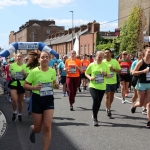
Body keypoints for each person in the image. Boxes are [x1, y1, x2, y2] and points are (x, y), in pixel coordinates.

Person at [23, 51, 59, 149]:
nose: (45, 59)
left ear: (49, 59)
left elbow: (54, 84)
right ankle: (33, 129)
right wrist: (34, 87)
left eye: (47, 57)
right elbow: (25, 84)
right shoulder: (34, 71)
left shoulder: (52, 71)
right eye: (43, 57)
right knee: (38, 128)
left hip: (48, 99)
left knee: (47, 127)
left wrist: (56, 85)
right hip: (36, 99)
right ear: (39, 60)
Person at [85, 51, 110, 126]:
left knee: (98, 103)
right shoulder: (92, 65)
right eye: (99, 57)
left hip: (102, 86)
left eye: (101, 57)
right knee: (95, 100)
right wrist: (90, 77)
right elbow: (86, 73)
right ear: (95, 57)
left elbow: (109, 76)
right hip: (93, 86)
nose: (100, 58)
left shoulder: (105, 65)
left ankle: (94, 113)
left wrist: (105, 74)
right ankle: (95, 118)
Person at [131, 47, 150, 127]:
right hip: (141, 84)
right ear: (145, 52)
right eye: (149, 52)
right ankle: (134, 105)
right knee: (141, 103)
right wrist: (143, 71)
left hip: (149, 84)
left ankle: (149, 121)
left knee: (149, 104)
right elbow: (133, 73)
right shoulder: (141, 62)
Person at [9, 53, 27, 122]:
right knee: (14, 99)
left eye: (20, 56)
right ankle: (14, 112)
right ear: (15, 57)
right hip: (14, 83)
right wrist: (11, 75)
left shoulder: (25, 66)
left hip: (22, 84)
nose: (19, 57)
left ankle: (19, 114)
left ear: (22, 58)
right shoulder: (12, 65)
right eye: (18, 56)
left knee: (20, 101)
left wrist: (24, 73)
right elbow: (10, 74)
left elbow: (27, 77)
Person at [103, 49, 121, 118]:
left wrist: (113, 69)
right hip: (105, 82)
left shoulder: (115, 61)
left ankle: (108, 105)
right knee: (107, 96)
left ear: (111, 54)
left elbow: (119, 71)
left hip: (113, 81)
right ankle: (108, 110)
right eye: (105, 53)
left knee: (112, 96)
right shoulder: (102, 62)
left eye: (107, 53)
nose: (106, 54)